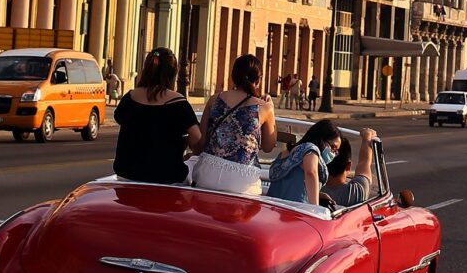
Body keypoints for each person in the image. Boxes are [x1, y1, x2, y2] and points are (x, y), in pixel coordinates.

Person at [113, 47, 202, 184]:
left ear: (147, 70)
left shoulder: (129, 98)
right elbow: (196, 137)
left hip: (127, 174)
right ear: (173, 74)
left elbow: (120, 118)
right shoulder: (178, 102)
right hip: (166, 176)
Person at [191, 53, 276, 195]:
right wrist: (271, 106)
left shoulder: (214, 100)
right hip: (242, 181)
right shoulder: (264, 108)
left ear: (233, 76)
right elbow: (268, 147)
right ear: (259, 79)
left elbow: (201, 141)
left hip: (208, 173)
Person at [269, 118, 342, 205]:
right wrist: (315, 207)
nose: (333, 153)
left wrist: (319, 195)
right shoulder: (310, 150)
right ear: (321, 139)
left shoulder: (285, 153)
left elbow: (291, 185)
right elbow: (311, 172)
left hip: (273, 207)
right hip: (295, 210)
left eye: (336, 151)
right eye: (333, 147)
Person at [321, 129, 380, 208]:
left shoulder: (309, 189)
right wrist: (367, 137)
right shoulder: (357, 191)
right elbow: (364, 161)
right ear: (348, 166)